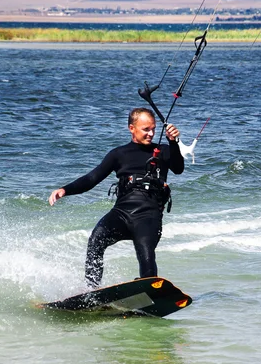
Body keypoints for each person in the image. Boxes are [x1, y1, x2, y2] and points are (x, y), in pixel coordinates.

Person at [49, 107, 184, 288]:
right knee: (96, 240)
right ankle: (92, 289)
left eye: (153, 129)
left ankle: (150, 290)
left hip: (148, 215)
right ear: (131, 128)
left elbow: (178, 168)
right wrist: (65, 190)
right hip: (122, 213)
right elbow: (92, 178)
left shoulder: (164, 150)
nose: (151, 133)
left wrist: (173, 142)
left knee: (146, 254)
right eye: (145, 129)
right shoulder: (119, 154)